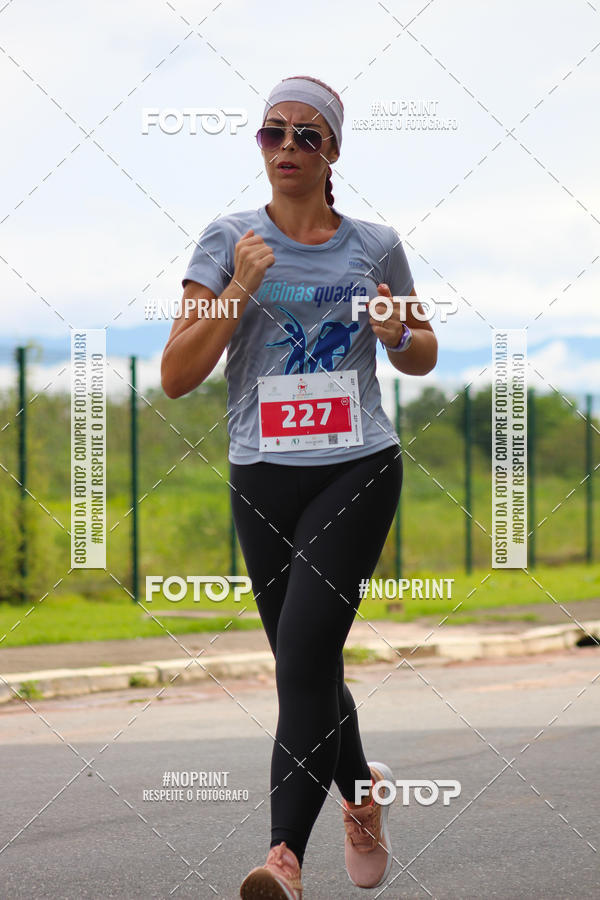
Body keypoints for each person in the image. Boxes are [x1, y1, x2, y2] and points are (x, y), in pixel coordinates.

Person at [161, 75, 437, 900]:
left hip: (357, 466)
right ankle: (361, 792)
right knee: (303, 661)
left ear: (332, 152)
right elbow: (176, 373)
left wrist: (398, 333)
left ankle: (283, 857)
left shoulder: (376, 244)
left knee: (306, 656)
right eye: (272, 131)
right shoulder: (228, 239)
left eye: (306, 134)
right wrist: (238, 290)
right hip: (262, 474)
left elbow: (422, 351)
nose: (287, 146)